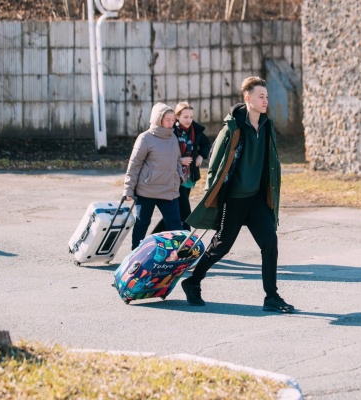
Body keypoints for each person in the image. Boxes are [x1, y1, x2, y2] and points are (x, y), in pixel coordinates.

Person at [181, 76, 295, 313]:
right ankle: (192, 282)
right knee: (221, 246)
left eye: (266, 96)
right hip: (234, 199)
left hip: (256, 199)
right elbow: (215, 165)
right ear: (248, 98)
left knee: (270, 243)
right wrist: (212, 196)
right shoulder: (232, 128)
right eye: (261, 96)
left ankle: (271, 297)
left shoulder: (267, 126)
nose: (266, 101)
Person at [123, 102, 184, 250]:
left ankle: (179, 253)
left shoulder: (173, 138)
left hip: (168, 190)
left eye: (173, 120)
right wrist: (128, 189)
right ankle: (136, 252)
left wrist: (179, 177)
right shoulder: (145, 138)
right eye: (168, 120)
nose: (171, 123)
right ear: (158, 119)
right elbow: (134, 165)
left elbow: (177, 160)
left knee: (175, 224)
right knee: (142, 223)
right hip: (146, 190)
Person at [151, 102, 211, 233]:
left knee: (176, 211)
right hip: (174, 176)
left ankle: (155, 236)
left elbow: (206, 143)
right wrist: (179, 160)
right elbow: (163, 153)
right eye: (185, 117)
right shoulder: (171, 131)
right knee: (185, 211)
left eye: (191, 117)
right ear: (177, 117)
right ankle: (186, 239)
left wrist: (201, 155)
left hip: (188, 176)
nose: (189, 120)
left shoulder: (195, 130)